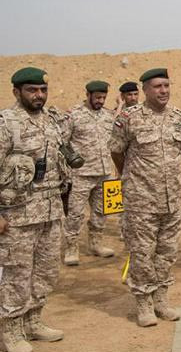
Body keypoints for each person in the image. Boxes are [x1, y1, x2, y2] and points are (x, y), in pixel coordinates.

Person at [109, 68, 181, 327]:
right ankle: (143, 303)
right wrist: (132, 178)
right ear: (144, 90)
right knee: (142, 253)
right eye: (157, 86)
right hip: (141, 201)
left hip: (172, 199)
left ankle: (161, 299)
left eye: (166, 85)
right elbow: (117, 151)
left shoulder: (178, 118)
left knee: (167, 252)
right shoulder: (129, 118)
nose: (163, 91)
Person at [0, 67, 66, 352]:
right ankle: (10, 332)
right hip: (17, 216)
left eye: (43, 90)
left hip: (50, 212)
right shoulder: (6, 123)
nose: (39, 95)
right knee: (17, 275)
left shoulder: (51, 120)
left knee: (45, 272)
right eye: (32, 90)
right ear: (17, 92)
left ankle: (33, 322)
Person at [63, 80, 116, 266]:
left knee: (102, 211)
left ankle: (96, 244)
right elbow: (62, 143)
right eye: (97, 97)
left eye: (103, 98)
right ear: (88, 95)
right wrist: (69, 166)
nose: (100, 101)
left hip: (105, 172)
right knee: (75, 213)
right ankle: (71, 247)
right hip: (81, 174)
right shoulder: (74, 115)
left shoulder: (108, 116)